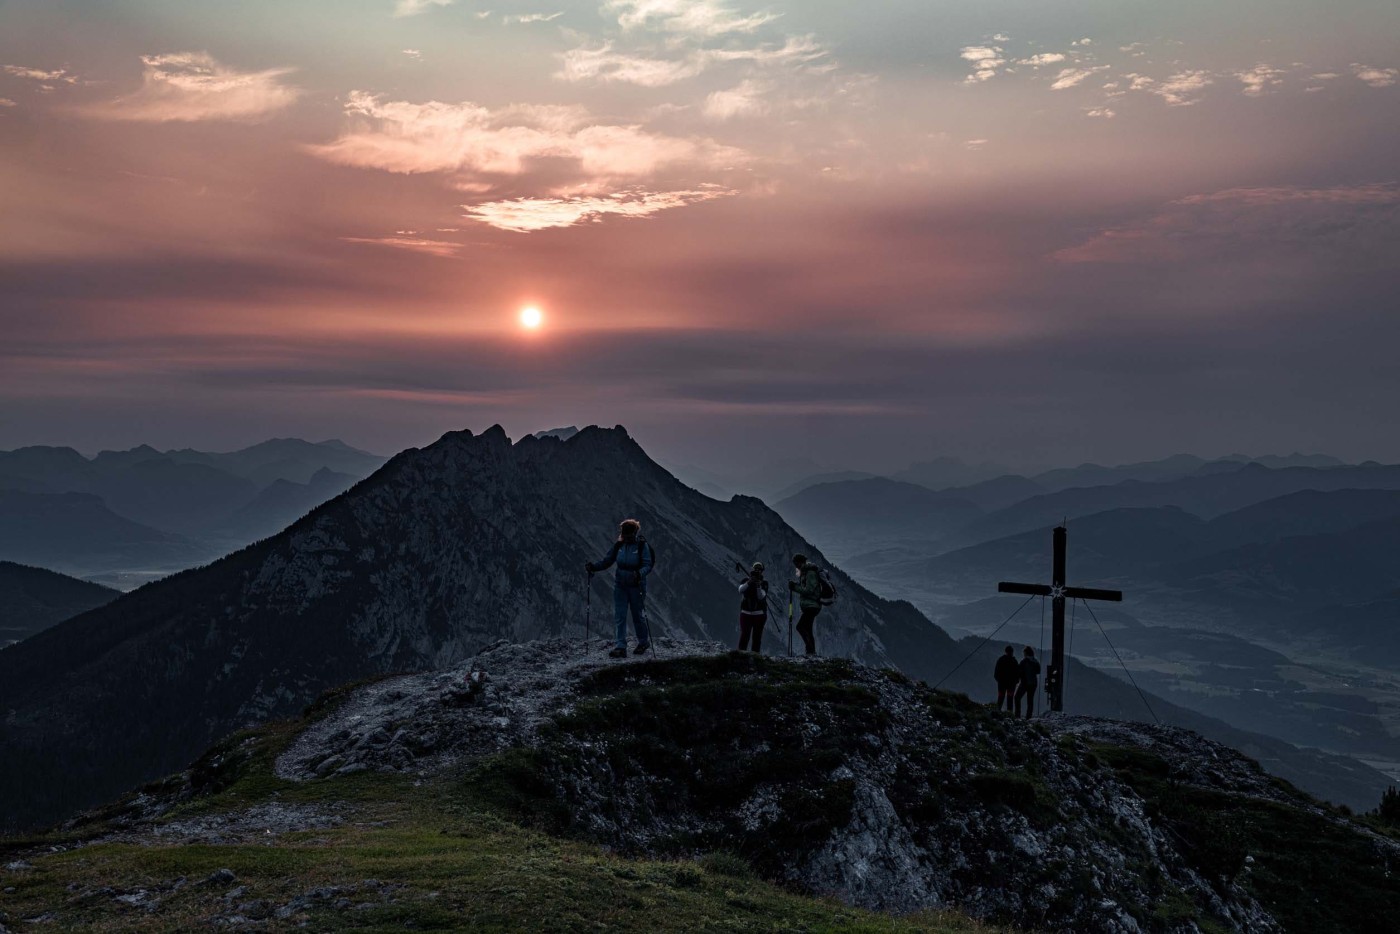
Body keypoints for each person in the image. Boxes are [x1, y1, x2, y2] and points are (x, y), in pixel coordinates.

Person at [585, 518, 653, 659]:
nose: (626, 538)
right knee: (620, 616)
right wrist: (594, 567)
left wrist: (639, 573)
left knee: (637, 616)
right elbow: (607, 561)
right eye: (624, 535)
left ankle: (643, 642)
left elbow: (648, 564)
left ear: (634, 533)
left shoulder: (641, 546)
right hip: (621, 586)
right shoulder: (619, 545)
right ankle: (620, 646)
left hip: (636, 586)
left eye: (629, 535)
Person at [789, 553, 823, 655]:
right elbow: (806, 587)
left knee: (800, 627)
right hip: (810, 606)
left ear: (801, 562)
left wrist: (794, 587)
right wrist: (796, 585)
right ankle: (811, 651)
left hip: (812, 606)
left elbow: (809, 590)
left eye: (797, 564)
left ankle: (810, 650)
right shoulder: (805, 572)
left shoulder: (810, 573)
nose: (796, 566)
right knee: (808, 629)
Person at [738, 562, 768, 652]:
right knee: (745, 635)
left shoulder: (764, 583)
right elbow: (740, 590)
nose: (757, 570)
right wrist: (749, 582)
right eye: (756, 569)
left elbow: (761, 596)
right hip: (746, 613)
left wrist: (758, 586)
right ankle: (741, 655)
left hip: (759, 614)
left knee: (757, 637)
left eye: (759, 569)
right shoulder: (745, 580)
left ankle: (754, 656)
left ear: (762, 571)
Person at [1014, 646, 1041, 718]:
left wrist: (1017, 680)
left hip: (1024, 683)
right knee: (1030, 700)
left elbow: (1019, 671)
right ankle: (1028, 716)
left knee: (1017, 697)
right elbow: (1038, 671)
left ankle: (1017, 715)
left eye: (1024, 653)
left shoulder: (1024, 661)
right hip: (1033, 683)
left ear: (1026, 653)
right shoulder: (1035, 661)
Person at [994, 645, 1019, 712]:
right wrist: (1016, 682)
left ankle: (997, 711)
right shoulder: (1014, 661)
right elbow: (1017, 673)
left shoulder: (1001, 660)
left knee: (1000, 698)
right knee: (1010, 699)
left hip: (1001, 684)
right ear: (1012, 652)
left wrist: (999, 680)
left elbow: (996, 673)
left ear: (1005, 651)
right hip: (1011, 684)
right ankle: (1009, 713)